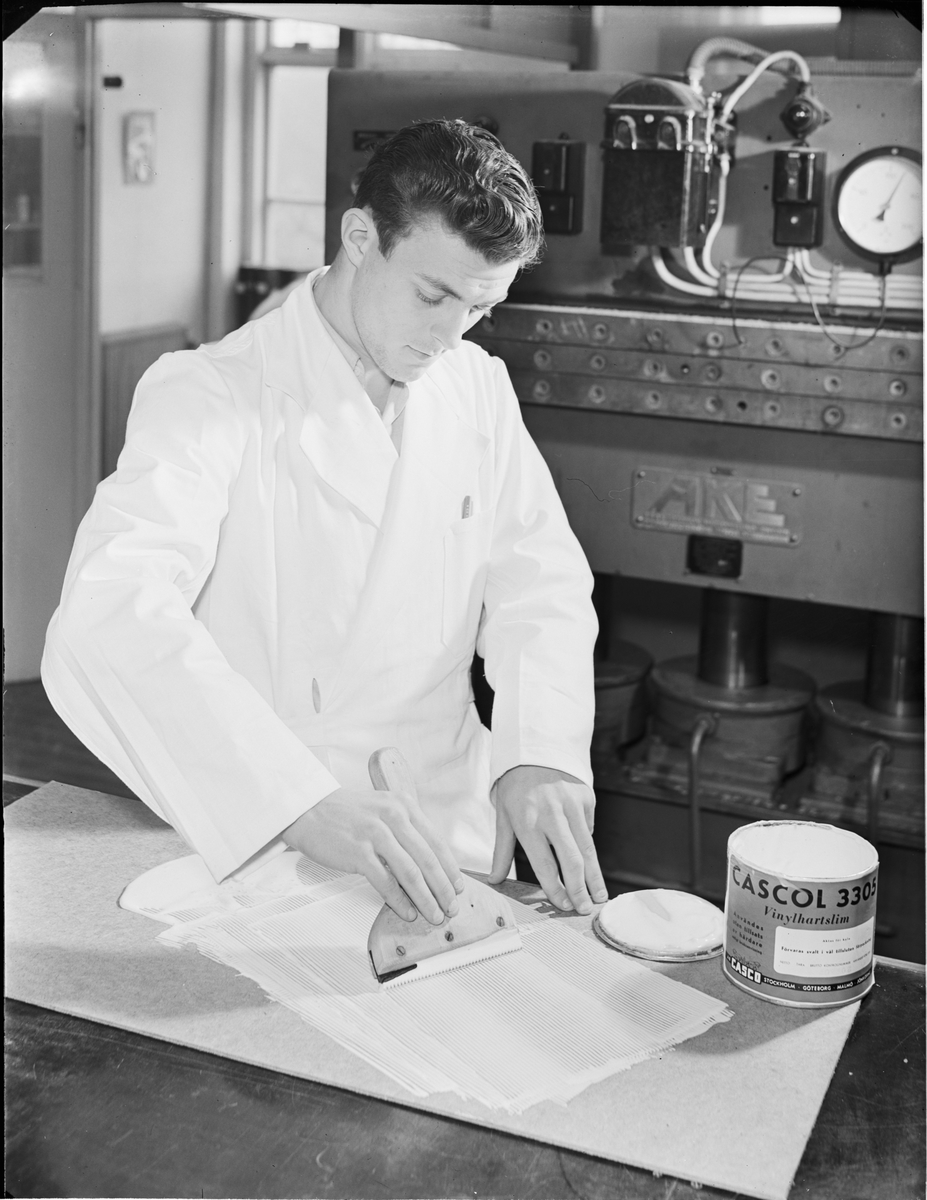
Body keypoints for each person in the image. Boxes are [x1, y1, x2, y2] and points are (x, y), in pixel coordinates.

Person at [42, 119, 608, 929]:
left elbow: (538, 583)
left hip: (447, 828)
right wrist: (295, 800)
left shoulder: (476, 386)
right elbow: (111, 611)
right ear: (360, 238)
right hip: (280, 836)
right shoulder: (212, 392)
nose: (449, 335)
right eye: (433, 295)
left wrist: (539, 755)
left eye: (481, 307)